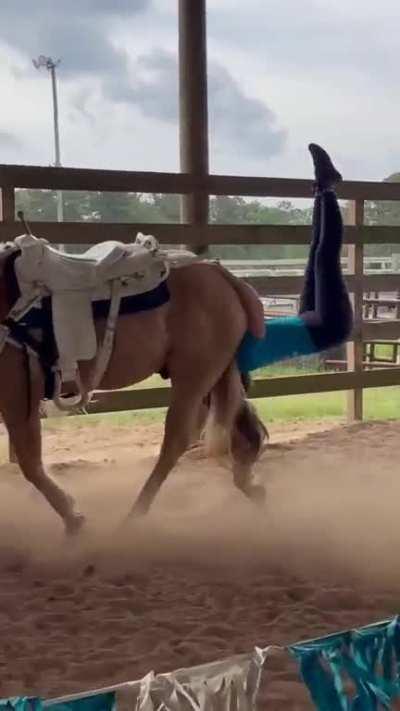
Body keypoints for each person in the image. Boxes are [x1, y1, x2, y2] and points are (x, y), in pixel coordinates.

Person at [236, 143, 353, 375]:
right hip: (326, 327)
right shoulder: (229, 362)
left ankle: (321, 189)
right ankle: (328, 188)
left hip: (306, 321)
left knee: (315, 253)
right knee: (324, 257)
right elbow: (253, 307)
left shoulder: (221, 354)